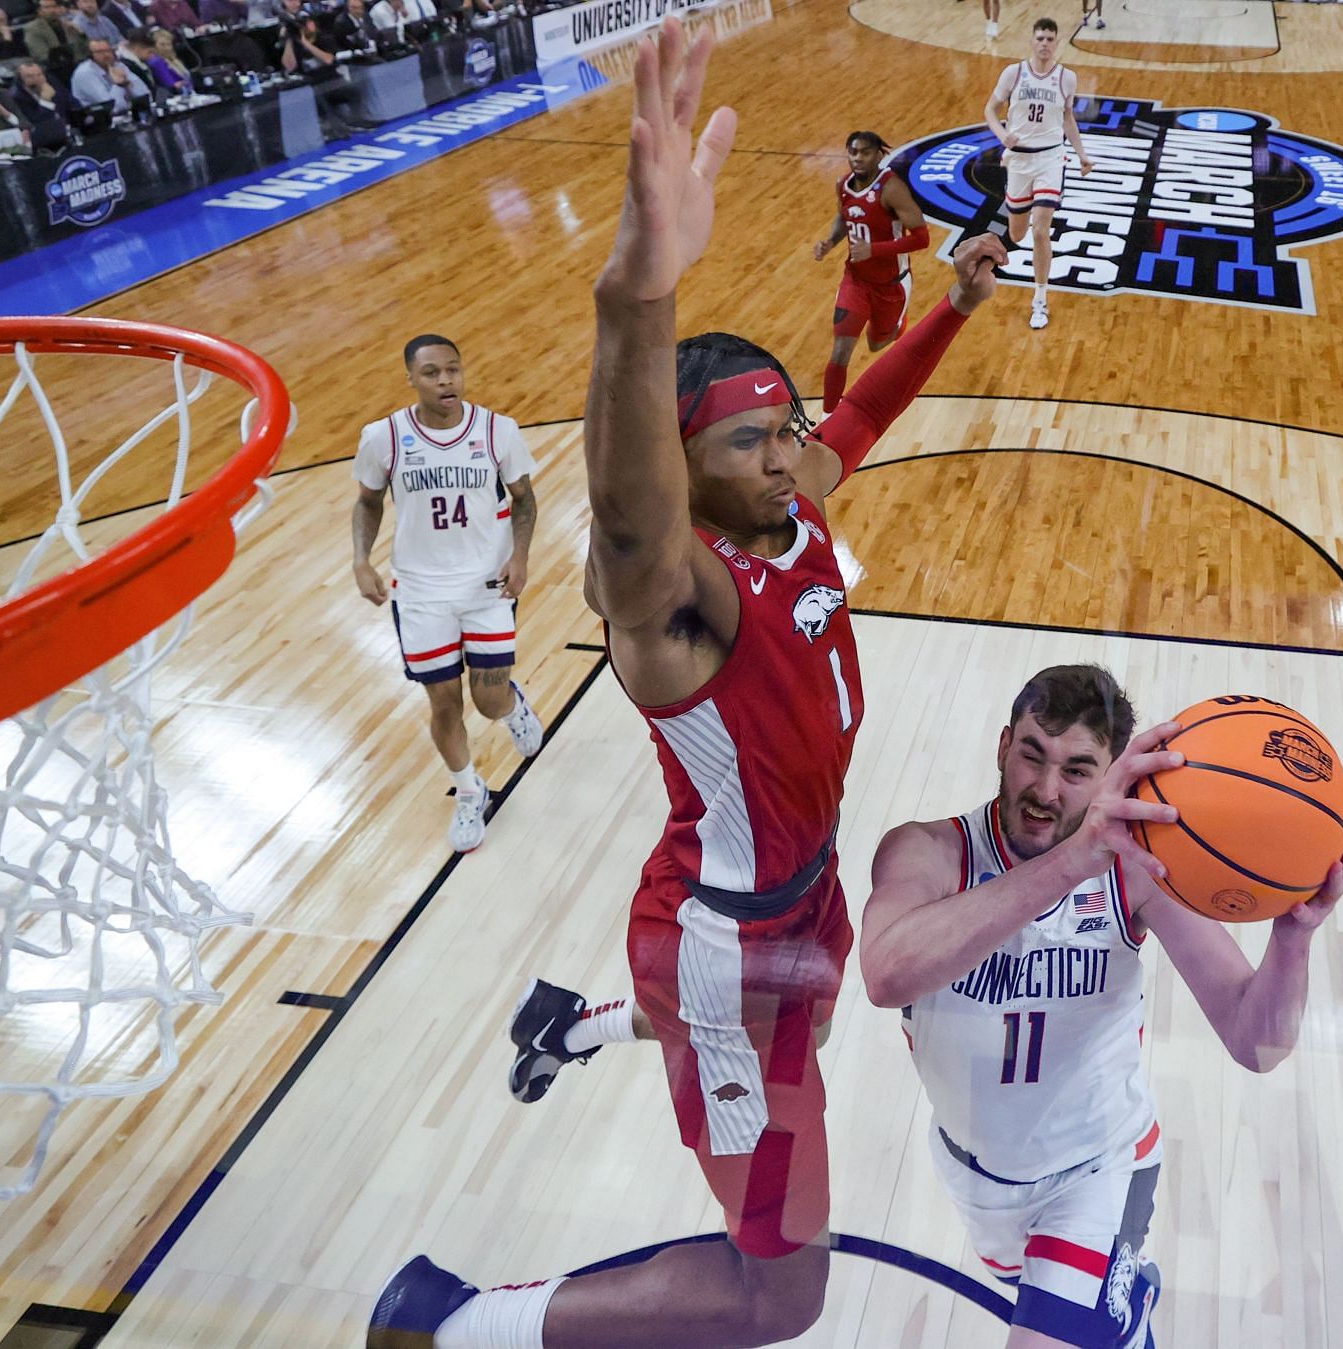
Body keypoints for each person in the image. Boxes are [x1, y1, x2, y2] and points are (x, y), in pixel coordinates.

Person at [368, 19, 1007, 1349]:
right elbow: (621, 515)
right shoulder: (680, 599)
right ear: (683, 461)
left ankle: (582, 1021)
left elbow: (861, 420)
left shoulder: (795, 503)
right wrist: (634, 300)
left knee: (803, 1064)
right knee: (784, 1292)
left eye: (783, 430)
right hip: (724, 943)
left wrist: (953, 303)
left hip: (797, 895)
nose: (784, 457)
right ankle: (451, 1325)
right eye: (746, 443)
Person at [861, 666, 1343, 1349]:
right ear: (1002, 745)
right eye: (1032, 754)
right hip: (975, 1173)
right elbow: (886, 973)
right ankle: (1123, 1311)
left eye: (1077, 770)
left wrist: (1293, 938)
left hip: (1099, 1169)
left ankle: (1111, 1296)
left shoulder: (1136, 873)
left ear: (1111, 779)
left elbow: (1258, 1045)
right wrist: (1070, 861)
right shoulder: (928, 851)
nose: (1045, 789)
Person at [349, 334, 545, 852]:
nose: (445, 381)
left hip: (487, 586)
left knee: (487, 699)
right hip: (419, 593)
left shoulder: (498, 431)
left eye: (453, 371)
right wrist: (360, 560)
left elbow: (524, 501)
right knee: (443, 704)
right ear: (411, 379)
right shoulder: (384, 437)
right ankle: (468, 791)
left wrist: (520, 556)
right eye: (433, 373)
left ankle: (512, 706)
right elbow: (368, 502)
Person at [985, 19, 1094, 331]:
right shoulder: (1013, 73)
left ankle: (1040, 300)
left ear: (1056, 43)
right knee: (1017, 234)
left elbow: (1068, 118)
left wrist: (1082, 154)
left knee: (1040, 231)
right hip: (1019, 161)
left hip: (1050, 158)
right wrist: (1000, 134)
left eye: (1050, 39)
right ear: (1031, 41)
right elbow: (990, 109)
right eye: (1040, 38)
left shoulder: (1066, 78)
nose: (1045, 43)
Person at [811, 130, 928, 413]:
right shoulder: (843, 185)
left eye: (864, 152)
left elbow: (921, 239)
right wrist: (829, 242)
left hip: (892, 284)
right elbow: (844, 217)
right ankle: (827, 419)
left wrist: (874, 250)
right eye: (853, 152)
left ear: (878, 155)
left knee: (877, 344)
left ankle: (897, 325)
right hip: (856, 281)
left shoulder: (892, 189)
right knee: (840, 351)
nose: (858, 158)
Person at [281, 10, 375, 136]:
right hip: (312, 85)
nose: (306, 26)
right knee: (317, 97)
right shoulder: (295, 44)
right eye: (302, 24)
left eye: (308, 22)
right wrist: (289, 40)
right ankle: (335, 128)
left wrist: (306, 44)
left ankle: (356, 120)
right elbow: (289, 66)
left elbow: (328, 59)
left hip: (332, 80)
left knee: (354, 90)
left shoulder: (324, 38)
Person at [71, 37, 152, 113]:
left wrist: (127, 84)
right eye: (100, 52)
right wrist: (119, 85)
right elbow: (113, 108)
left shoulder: (118, 65)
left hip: (127, 116)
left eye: (108, 50)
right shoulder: (84, 74)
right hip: (99, 122)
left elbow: (146, 95)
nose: (106, 55)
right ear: (90, 55)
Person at [12, 60, 74, 147]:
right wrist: (45, 101)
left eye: (39, 74)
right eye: (30, 76)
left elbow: (69, 102)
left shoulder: (52, 82)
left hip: (68, 130)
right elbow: (39, 123)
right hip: (45, 140)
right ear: (21, 81)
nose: (37, 79)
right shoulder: (18, 97)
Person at [23, 0, 90, 74]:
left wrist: (81, 33)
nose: (52, 10)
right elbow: (42, 56)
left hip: (78, 65)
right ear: (39, 11)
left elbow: (85, 49)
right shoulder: (32, 28)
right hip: (55, 70)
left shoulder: (67, 25)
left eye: (54, 6)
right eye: (47, 7)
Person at [124, 27, 183, 92]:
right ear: (137, 48)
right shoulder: (154, 62)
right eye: (149, 52)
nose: (152, 55)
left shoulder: (155, 60)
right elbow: (172, 85)